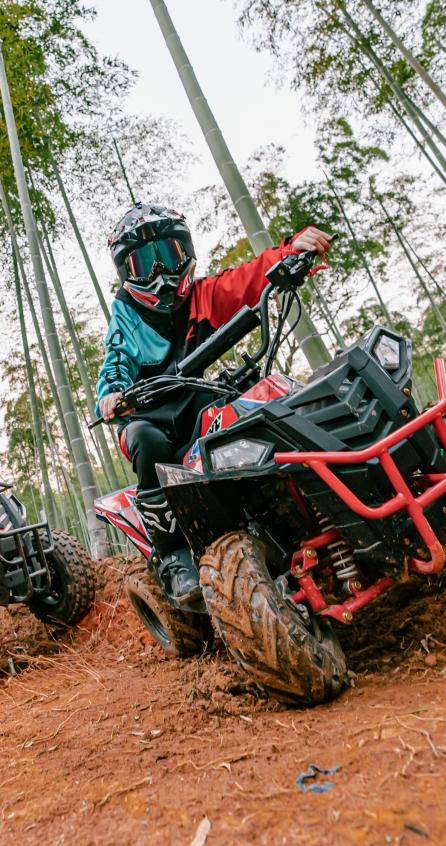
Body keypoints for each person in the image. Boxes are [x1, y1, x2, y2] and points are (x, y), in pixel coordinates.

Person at [96, 202, 333, 608]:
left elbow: (247, 281)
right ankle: (173, 557)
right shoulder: (126, 319)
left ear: (185, 253)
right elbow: (114, 364)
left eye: (168, 256)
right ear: (126, 274)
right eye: (144, 264)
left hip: (196, 398)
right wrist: (111, 397)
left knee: (254, 402)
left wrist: (292, 252)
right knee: (146, 441)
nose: (160, 274)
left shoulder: (202, 295)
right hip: (148, 414)